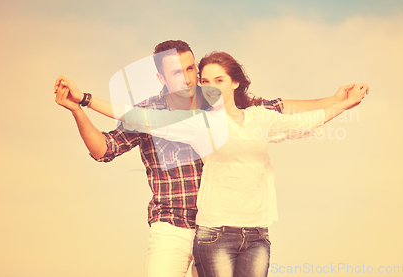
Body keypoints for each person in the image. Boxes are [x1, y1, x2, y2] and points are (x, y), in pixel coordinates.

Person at [54, 40, 362, 277]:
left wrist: (335, 101)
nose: (189, 79)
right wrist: (78, 106)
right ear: (161, 75)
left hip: (217, 228)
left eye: (191, 70)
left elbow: (277, 109)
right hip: (171, 226)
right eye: (178, 72)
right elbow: (104, 149)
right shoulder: (150, 112)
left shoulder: (217, 101)